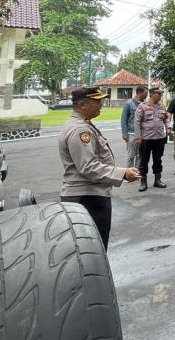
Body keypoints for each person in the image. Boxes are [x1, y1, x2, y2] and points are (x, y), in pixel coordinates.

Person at [59, 86, 141, 248]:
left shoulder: (83, 124)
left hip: (88, 195)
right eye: (97, 101)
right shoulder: (80, 129)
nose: (101, 104)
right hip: (87, 197)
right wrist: (122, 174)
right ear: (82, 105)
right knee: (93, 248)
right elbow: (88, 166)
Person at [134, 87, 169, 192]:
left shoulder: (162, 106)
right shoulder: (143, 107)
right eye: (158, 94)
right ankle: (143, 182)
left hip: (159, 137)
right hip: (146, 138)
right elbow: (137, 122)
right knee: (144, 160)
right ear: (152, 94)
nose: (160, 96)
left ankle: (157, 180)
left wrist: (169, 127)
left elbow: (166, 118)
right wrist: (138, 137)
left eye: (161, 94)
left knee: (158, 159)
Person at [120, 85, 148, 167]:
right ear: (140, 93)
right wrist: (124, 134)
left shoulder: (145, 104)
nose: (147, 95)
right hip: (131, 133)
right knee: (131, 156)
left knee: (140, 155)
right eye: (146, 93)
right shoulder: (129, 103)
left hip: (142, 133)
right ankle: (129, 174)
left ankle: (137, 173)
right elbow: (124, 119)